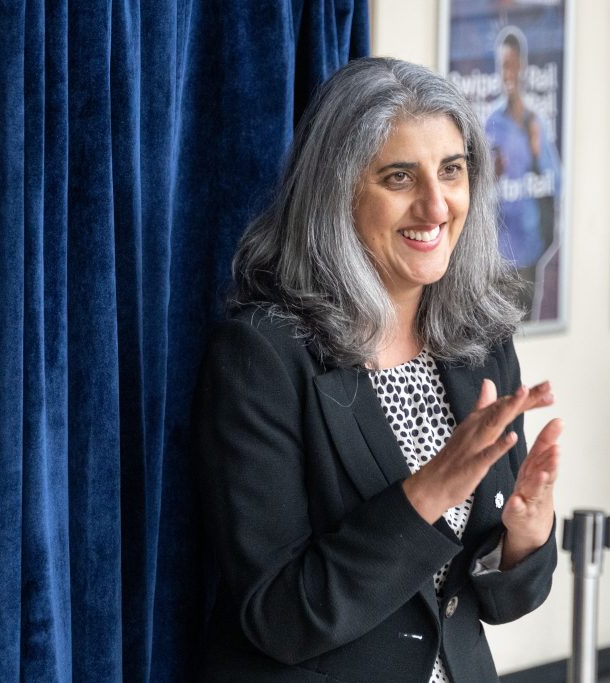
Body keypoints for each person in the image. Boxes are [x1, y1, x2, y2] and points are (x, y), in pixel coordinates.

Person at [194, 57, 563, 682]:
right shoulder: (261, 355)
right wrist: (431, 490)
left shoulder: (478, 338)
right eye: (399, 177)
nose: (435, 205)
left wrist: (524, 535)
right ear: (336, 192)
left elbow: (499, 601)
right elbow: (281, 616)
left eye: (452, 171)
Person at [483, 26, 561, 319]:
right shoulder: (490, 124)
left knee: (527, 329)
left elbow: (557, 181)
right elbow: (472, 184)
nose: (509, 73)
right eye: (503, 66)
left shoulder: (536, 123)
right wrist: (492, 174)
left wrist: (537, 150)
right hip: (497, 257)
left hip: (530, 253)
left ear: (523, 66)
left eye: (513, 65)